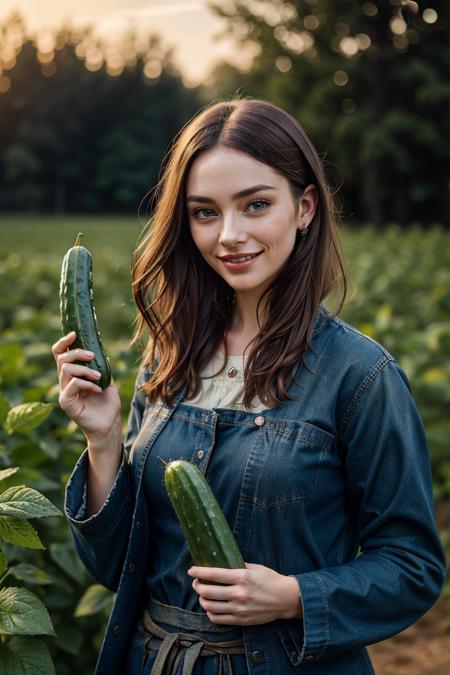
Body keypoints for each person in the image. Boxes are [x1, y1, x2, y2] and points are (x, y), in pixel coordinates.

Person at [53, 97, 446, 675]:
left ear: (304, 207)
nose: (229, 235)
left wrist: (292, 595)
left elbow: (413, 568)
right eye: (204, 212)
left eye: (255, 205)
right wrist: (105, 440)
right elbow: (117, 569)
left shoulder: (361, 376)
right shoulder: (168, 359)